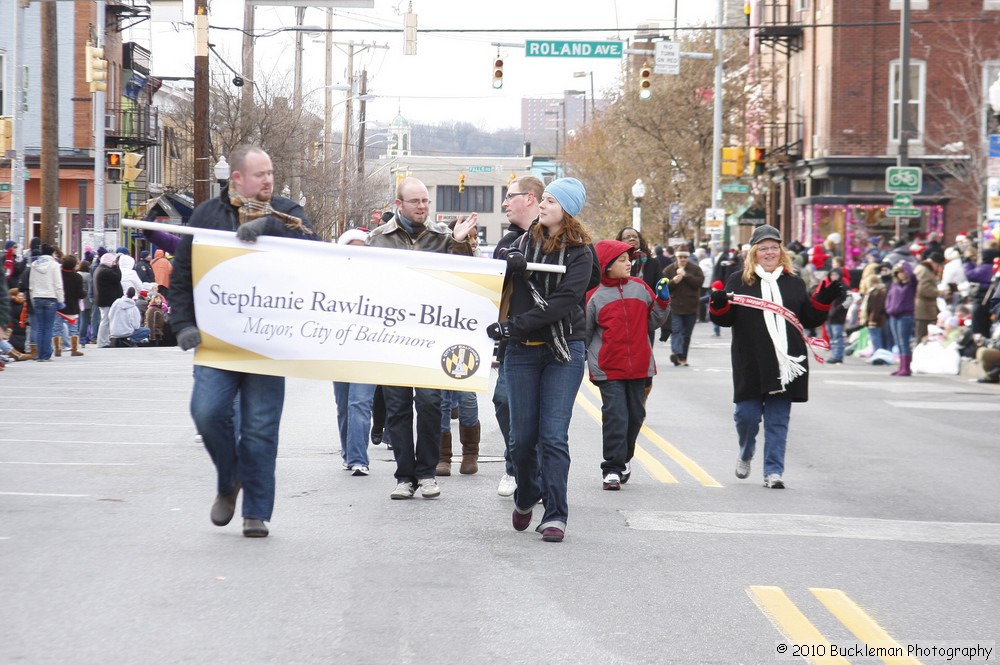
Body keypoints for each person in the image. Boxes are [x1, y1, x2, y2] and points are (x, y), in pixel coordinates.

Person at [170, 144, 319, 538]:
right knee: (207, 412)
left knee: (259, 429)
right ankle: (229, 478)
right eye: (259, 174)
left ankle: (255, 512)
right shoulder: (206, 215)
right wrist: (182, 323)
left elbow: (314, 248)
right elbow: (183, 272)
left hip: (268, 343)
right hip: (218, 341)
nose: (268, 180)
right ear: (236, 178)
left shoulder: (288, 210)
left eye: (270, 173)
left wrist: (268, 227)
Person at [486, 177, 598, 543]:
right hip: (520, 352)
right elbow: (491, 276)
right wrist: (508, 263)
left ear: (566, 208)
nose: (544, 204)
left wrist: (514, 325)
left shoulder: (581, 252)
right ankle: (526, 493)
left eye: (551, 200)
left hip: (563, 349)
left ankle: (555, 513)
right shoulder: (518, 242)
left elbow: (566, 301)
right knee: (521, 439)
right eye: (543, 198)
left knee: (552, 436)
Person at [366, 176, 476, 501]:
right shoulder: (378, 239)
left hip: (430, 337)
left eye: (426, 201)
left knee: (430, 404)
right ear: (398, 205)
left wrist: (459, 242)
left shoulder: (443, 237)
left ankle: (426, 473)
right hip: (393, 337)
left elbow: (465, 275)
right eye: (415, 201)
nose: (422, 207)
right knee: (397, 409)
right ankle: (405, 476)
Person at [709, 224, 842, 489]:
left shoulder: (793, 282)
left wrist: (822, 300)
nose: (769, 253)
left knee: (778, 420)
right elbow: (725, 320)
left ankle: (773, 471)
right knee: (745, 417)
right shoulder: (739, 280)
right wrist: (719, 304)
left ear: (781, 251)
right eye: (763, 248)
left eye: (774, 248)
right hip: (750, 359)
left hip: (786, 362)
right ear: (754, 253)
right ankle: (746, 452)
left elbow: (809, 318)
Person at [585, 239, 670, 490]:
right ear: (607, 265)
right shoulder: (594, 295)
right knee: (616, 416)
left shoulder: (641, 288)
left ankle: (623, 460)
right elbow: (585, 333)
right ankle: (611, 468)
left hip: (639, 367)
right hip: (608, 368)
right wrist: (585, 362)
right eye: (622, 260)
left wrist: (663, 302)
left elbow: (653, 321)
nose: (629, 264)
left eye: (629, 259)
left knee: (635, 416)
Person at [490, 175, 543, 497]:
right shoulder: (506, 243)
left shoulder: (555, 239)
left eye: (511, 196)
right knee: (504, 401)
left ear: (531, 198)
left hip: (552, 341)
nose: (505, 203)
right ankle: (517, 464)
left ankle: (531, 470)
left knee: (540, 413)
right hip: (514, 339)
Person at [332, 227, 376, 476]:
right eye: (352, 250)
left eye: (363, 249)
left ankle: (359, 458)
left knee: (360, 402)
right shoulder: (333, 281)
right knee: (344, 404)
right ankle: (348, 453)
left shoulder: (377, 280)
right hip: (339, 350)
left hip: (368, 350)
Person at [662, 248, 704, 367]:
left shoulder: (695, 269)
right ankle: (677, 354)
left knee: (687, 334)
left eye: (685, 257)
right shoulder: (669, 270)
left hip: (691, 307)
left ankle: (683, 357)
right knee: (676, 331)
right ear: (676, 257)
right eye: (680, 257)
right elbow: (662, 287)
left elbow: (699, 283)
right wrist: (673, 281)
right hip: (675, 307)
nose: (683, 260)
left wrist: (686, 276)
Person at [28, 244, 65, 362]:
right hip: (51, 298)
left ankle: (39, 355)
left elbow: (31, 284)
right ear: (51, 253)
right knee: (49, 328)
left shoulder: (34, 265)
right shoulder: (54, 265)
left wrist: (32, 297)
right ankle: (46, 354)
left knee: (40, 328)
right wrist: (61, 300)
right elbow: (58, 284)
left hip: (37, 297)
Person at [885, 260, 918, 376]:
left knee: (904, 342)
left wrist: (904, 264)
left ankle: (906, 368)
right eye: (899, 272)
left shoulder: (911, 285)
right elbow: (889, 298)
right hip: (893, 315)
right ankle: (901, 366)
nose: (901, 274)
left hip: (905, 315)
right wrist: (888, 309)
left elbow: (912, 274)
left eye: (903, 272)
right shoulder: (894, 285)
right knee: (898, 342)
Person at [58, 255, 86, 357]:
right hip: (73, 306)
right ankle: (74, 349)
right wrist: (84, 294)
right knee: (73, 328)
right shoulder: (77, 277)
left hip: (60, 306)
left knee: (57, 327)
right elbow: (80, 293)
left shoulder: (59, 275)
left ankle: (58, 348)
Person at [94, 252, 122, 348]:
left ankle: (104, 341)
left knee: (105, 320)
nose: (115, 263)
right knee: (105, 321)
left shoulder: (101, 269)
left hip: (104, 299)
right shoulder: (105, 271)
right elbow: (117, 278)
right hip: (106, 300)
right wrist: (116, 266)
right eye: (113, 261)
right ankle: (102, 342)